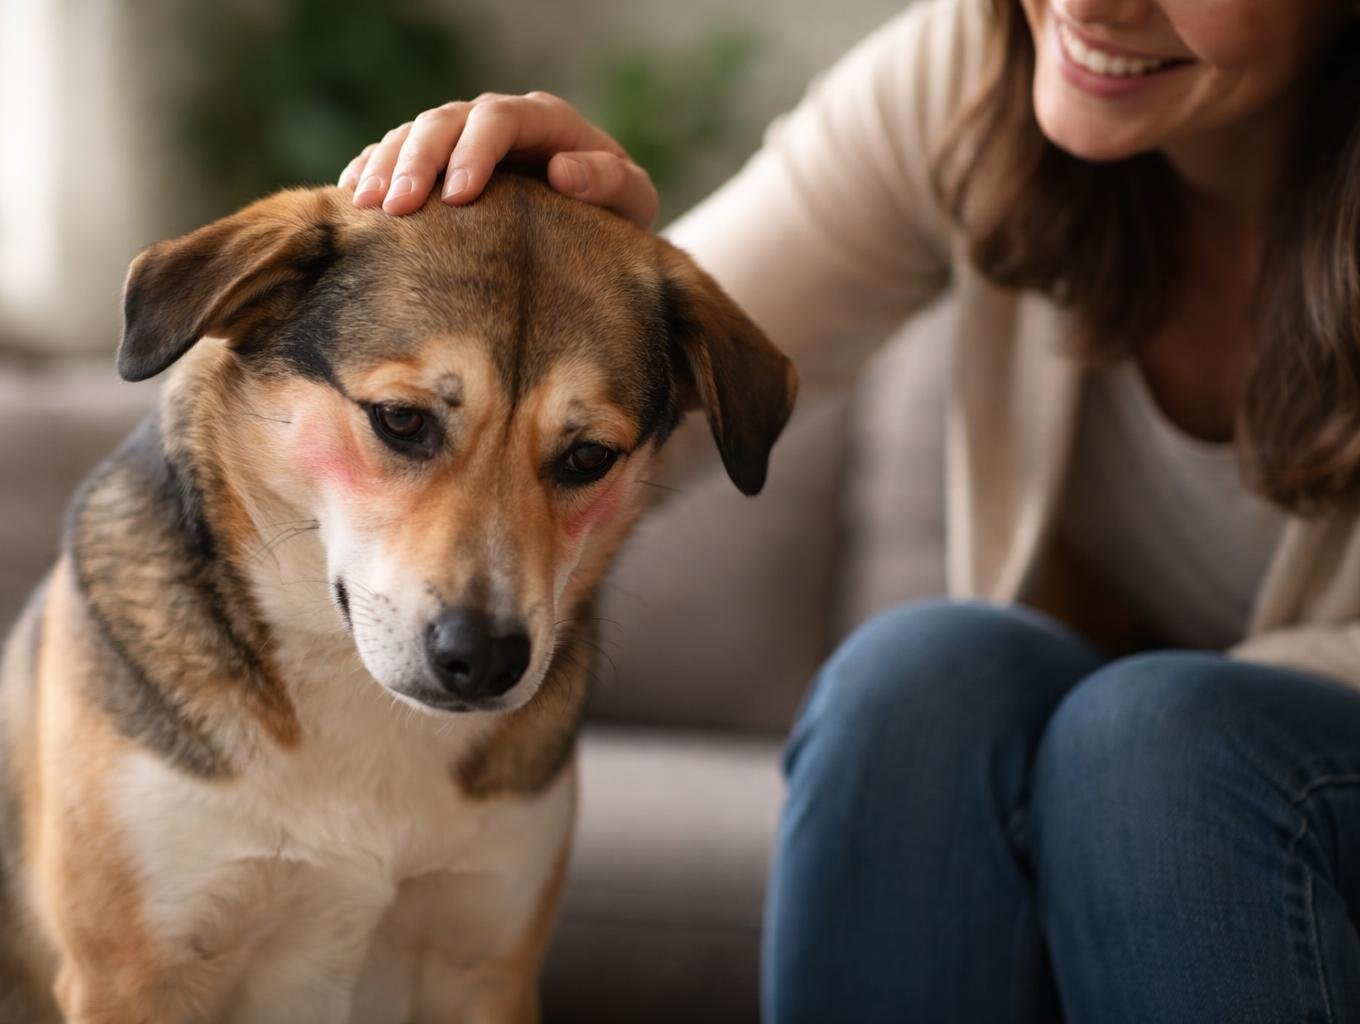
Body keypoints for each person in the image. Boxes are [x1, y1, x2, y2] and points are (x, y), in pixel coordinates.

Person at [340, 0, 1360, 1019]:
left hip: (1242, 760)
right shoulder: (975, 71)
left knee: (1151, 742)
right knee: (922, 678)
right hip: (1142, 754)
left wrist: (1125, 743)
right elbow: (643, 420)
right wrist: (574, 267)